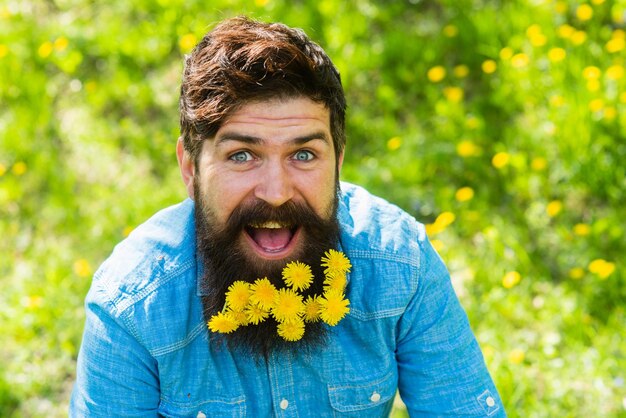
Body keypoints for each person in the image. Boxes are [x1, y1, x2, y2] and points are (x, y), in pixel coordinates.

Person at [70, 16, 506, 417]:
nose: (276, 193)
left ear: (338, 163)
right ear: (190, 169)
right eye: (242, 155)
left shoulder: (401, 265)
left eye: (303, 154)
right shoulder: (131, 306)